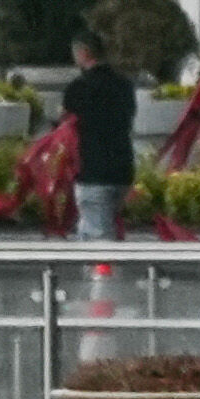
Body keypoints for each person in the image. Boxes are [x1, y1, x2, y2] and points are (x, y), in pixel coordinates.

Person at [63, 32, 137, 242]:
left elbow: (66, 125)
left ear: (84, 53)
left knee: (97, 233)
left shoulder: (78, 88)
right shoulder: (124, 85)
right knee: (108, 224)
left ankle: (102, 274)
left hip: (92, 170)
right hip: (122, 168)